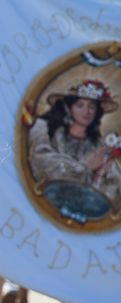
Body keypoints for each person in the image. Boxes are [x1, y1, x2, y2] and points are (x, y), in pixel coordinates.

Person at [29, 80, 121, 210]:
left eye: (91, 107)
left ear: (97, 112)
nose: (86, 111)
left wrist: (98, 176)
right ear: (68, 107)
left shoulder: (99, 148)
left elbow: (111, 192)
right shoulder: (45, 130)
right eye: (79, 105)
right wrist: (86, 166)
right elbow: (42, 163)